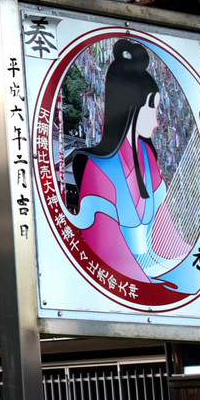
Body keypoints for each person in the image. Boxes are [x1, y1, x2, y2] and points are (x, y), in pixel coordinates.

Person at [61, 39, 183, 282]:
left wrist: (185, 265)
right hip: (122, 282)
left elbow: (167, 236)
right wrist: (149, 286)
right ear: (132, 108)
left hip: (153, 275)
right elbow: (106, 250)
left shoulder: (148, 157)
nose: (157, 121)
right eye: (153, 109)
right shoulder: (98, 168)